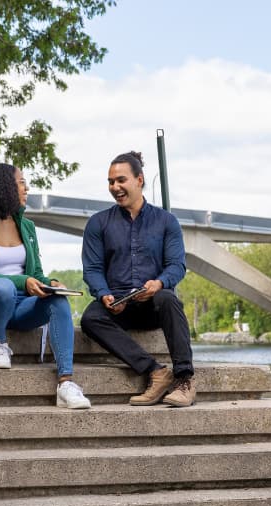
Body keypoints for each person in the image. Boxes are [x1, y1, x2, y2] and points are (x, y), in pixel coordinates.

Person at [0, 163, 91, 409]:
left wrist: (49, 284)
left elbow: (35, 272)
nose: (26, 188)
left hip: (22, 306)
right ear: (4, 187)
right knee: (3, 287)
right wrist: (23, 282)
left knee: (58, 301)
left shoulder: (27, 226)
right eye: (21, 182)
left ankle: (66, 384)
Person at [80, 151, 195, 407]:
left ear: (139, 180)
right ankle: (155, 371)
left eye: (121, 180)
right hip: (119, 306)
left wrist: (159, 283)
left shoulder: (167, 222)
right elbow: (92, 269)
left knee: (169, 299)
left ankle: (185, 379)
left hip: (154, 303)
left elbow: (177, 266)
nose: (115, 187)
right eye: (111, 182)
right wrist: (104, 294)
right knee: (91, 318)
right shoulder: (98, 223)